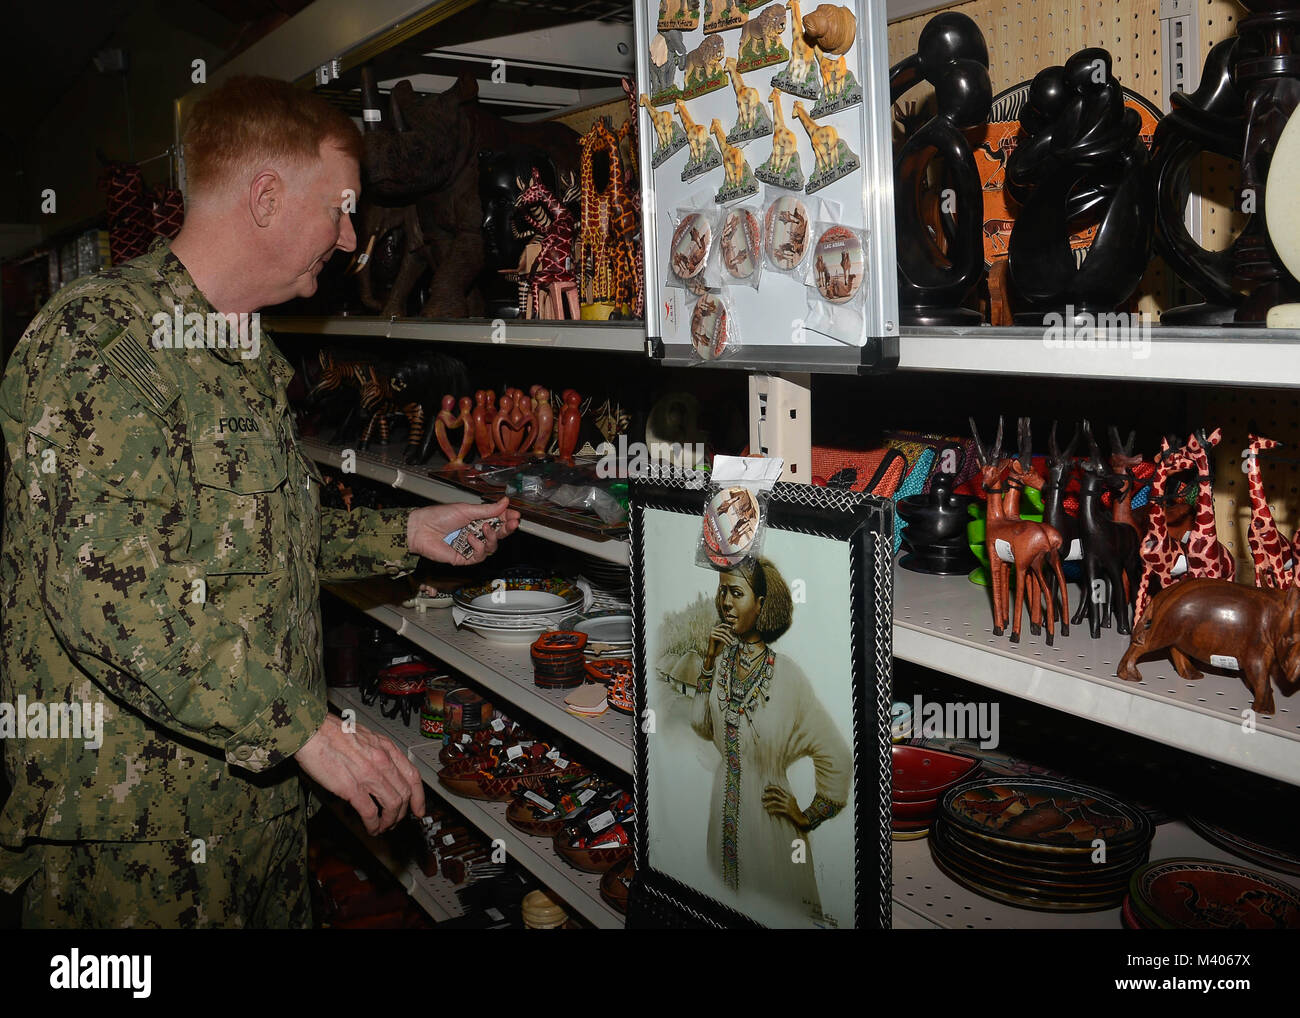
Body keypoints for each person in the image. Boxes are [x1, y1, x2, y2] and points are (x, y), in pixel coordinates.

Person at [0, 75, 520, 928]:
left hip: (257, 818)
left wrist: (406, 532)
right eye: (342, 210)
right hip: (136, 848)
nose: (352, 238)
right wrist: (308, 732)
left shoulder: (237, 353)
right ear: (268, 196)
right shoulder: (99, 343)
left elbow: (258, 543)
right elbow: (110, 601)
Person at [691, 557, 850, 921]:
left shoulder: (788, 677)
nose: (725, 602)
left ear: (761, 603)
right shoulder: (722, 663)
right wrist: (708, 662)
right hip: (721, 817)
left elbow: (837, 756)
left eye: (736, 593)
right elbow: (701, 725)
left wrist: (808, 814)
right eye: (722, 592)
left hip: (771, 826)